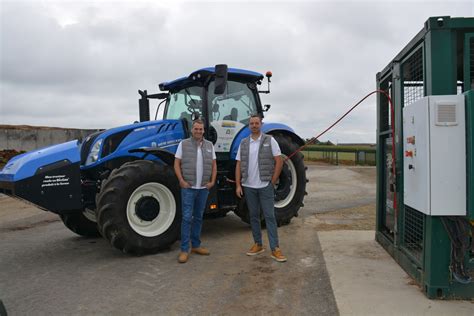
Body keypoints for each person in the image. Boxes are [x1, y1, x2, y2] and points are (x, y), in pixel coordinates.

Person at [235, 114, 286, 262]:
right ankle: (258, 244)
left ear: (261, 124)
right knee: (254, 217)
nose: (254, 125)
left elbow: (279, 161)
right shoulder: (244, 143)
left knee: (270, 216)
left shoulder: (270, 141)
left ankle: (275, 248)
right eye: (251, 123)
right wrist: (238, 184)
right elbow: (239, 164)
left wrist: (273, 180)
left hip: (265, 186)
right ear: (249, 126)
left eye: (257, 123)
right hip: (249, 186)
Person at [174, 119, 217, 263]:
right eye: (196, 129)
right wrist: (181, 180)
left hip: (203, 188)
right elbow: (176, 163)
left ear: (204, 131)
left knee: (198, 217)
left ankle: (196, 245)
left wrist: (211, 181)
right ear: (192, 130)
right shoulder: (183, 144)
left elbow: (214, 164)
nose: (198, 131)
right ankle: (184, 249)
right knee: (187, 218)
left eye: (201, 129)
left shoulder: (210, 145)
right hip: (189, 188)